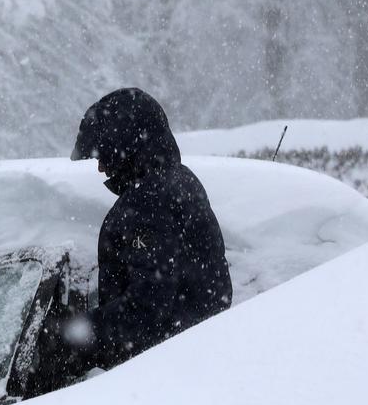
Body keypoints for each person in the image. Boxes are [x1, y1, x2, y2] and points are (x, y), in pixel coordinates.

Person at [51, 87, 232, 374]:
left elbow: (147, 310)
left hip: (160, 376)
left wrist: (71, 341)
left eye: (103, 154)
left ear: (125, 146)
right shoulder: (177, 183)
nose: (100, 167)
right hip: (188, 366)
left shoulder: (149, 201)